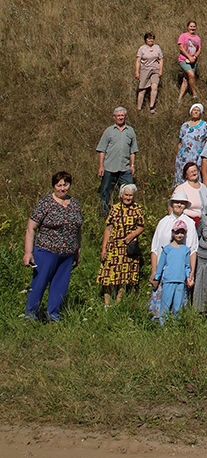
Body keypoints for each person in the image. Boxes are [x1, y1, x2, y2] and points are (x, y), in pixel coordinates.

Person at [23, 171, 83, 322]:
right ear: (54, 186)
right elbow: (31, 227)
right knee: (39, 283)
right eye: (59, 185)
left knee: (60, 286)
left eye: (66, 185)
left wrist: (78, 250)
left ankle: (53, 316)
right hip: (46, 251)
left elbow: (78, 228)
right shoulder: (46, 203)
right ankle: (31, 316)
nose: (62, 188)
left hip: (67, 253)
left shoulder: (75, 204)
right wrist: (28, 252)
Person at [96, 183, 145, 306]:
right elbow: (108, 229)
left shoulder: (137, 209)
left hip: (127, 247)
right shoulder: (115, 208)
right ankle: (106, 303)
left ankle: (119, 303)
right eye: (126, 195)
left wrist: (132, 235)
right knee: (108, 275)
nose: (128, 198)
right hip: (114, 245)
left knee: (124, 276)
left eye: (131, 195)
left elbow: (141, 226)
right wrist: (104, 248)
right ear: (121, 195)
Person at [150, 193, 198, 292]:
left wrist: (191, 273)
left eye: (182, 203)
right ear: (172, 204)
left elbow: (193, 250)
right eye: (176, 202)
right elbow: (154, 248)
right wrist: (154, 271)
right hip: (162, 271)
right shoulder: (163, 222)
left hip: (180, 273)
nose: (179, 205)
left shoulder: (190, 223)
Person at [96, 107, 138, 216]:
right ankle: (104, 213)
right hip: (109, 167)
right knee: (105, 190)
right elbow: (102, 150)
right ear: (114, 117)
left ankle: (127, 213)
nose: (120, 117)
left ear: (125, 116)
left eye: (122, 115)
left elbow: (133, 151)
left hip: (125, 168)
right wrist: (101, 166)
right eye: (118, 116)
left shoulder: (130, 131)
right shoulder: (109, 131)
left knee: (129, 190)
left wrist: (132, 165)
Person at [151, 221, 193, 323]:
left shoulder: (185, 250)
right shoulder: (167, 249)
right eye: (177, 232)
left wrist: (188, 277)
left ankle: (176, 325)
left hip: (180, 281)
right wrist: (156, 277)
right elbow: (161, 265)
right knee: (165, 304)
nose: (180, 235)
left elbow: (187, 266)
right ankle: (162, 324)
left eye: (182, 233)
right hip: (168, 280)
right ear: (173, 233)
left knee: (178, 306)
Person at [173, 101, 207, 185]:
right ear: (191, 112)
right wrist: (178, 153)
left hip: (197, 154)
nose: (196, 112)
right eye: (194, 110)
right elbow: (180, 141)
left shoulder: (205, 125)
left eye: (198, 110)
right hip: (183, 155)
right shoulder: (184, 125)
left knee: (195, 173)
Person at [173, 161, 207, 225]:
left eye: (195, 171)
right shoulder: (181, 188)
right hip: (188, 221)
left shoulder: (204, 187)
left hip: (205, 221)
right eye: (190, 172)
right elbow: (172, 206)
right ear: (186, 175)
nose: (193, 173)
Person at [134, 32, 163, 114]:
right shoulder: (142, 49)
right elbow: (138, 61)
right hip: (145, 69)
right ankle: (139, 108)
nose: (151, 40)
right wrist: (137, 72)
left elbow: (160, 59)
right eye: (149, 38)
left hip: (155, 70)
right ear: (145, 39)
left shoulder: (157, 47)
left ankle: (152, 107)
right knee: (142, 89)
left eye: (152, 38)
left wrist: (160, 70)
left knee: (154, 87)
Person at [177, 20, 202, 100]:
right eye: (191, 26)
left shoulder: (197, 38)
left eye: (194, 26)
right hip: (184, 59)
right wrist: (189, 57)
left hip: (193, 61)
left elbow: (199, 49)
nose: (192, 28)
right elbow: (181, 47)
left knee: (186, 79)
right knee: (191, 74)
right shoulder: (183, 36)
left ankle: (179, 98)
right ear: (188, 27)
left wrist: (194, 57)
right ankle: (194, 94)